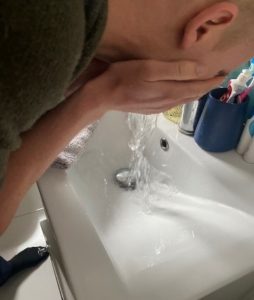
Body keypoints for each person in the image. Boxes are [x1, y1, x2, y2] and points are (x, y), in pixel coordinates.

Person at [0, 0, 251, 234]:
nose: (210, 83)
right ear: (207, 26)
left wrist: (92, 72)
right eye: (220, 71)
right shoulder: (47, 26)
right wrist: (98, 98)